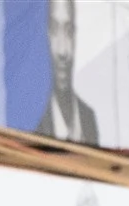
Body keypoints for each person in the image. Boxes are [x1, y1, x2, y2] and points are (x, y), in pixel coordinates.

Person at [34, 0, 98, 145]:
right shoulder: (33, 116)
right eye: (54, 30)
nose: (63, 51)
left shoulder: (88, 118)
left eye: (68, 31)